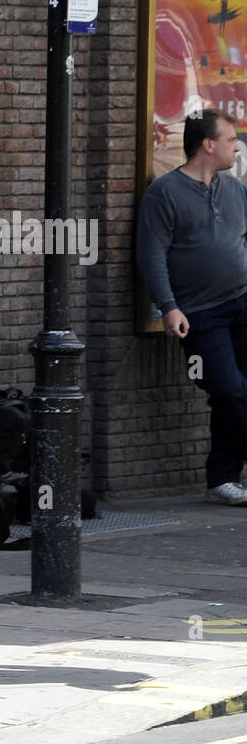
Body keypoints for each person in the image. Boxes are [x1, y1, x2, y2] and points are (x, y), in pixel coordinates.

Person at [138, 109, 247, 505]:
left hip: (242, 302)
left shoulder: (234, 189)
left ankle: (223, 478)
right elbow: (151, 255)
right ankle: (223, 476)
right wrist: (168, 306)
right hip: (200, 313)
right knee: (229, 391)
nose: (237, 147)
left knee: (237, 394)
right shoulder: (164, 193)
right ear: (208, 144)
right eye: (231, 139)